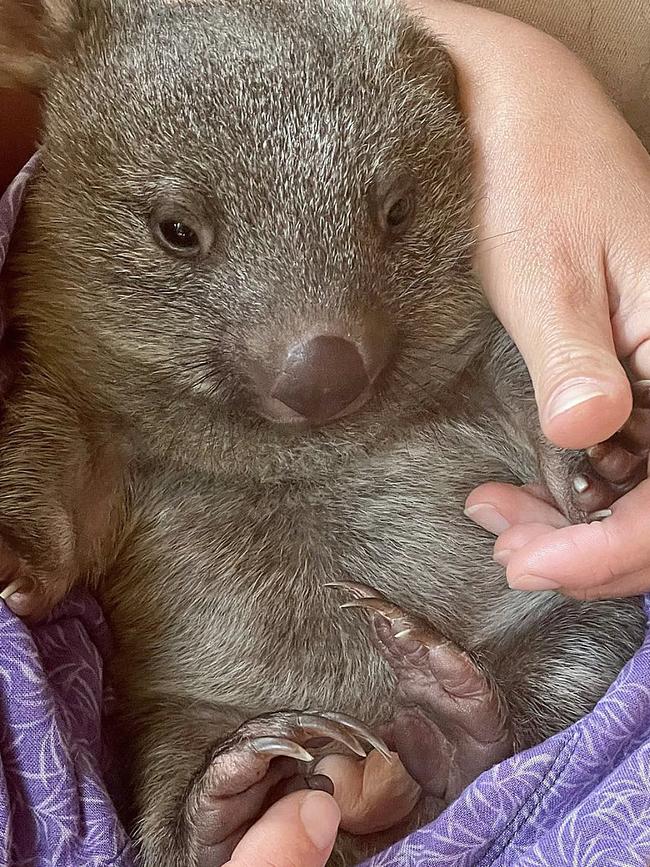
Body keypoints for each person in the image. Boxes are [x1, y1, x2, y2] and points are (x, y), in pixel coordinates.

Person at [1, 0, 649, 861]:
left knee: (596, 632)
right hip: (229, 703)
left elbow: (531, 354)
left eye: (385, 219)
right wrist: (29, 542)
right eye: (181, 233)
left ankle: (483, 751)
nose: (321, 355)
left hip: (523, 642)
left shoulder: (467, 227)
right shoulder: (83, 325)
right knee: (183, 776)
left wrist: (588, 439)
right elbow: (69, 450)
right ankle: (216, 815)